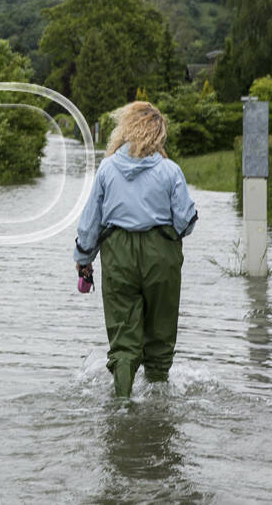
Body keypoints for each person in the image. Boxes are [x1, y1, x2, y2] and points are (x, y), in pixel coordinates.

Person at [73, 101, 198, 398]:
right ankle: (157, 407)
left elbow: (91, 221)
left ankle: (122, 404)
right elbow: (186, 221)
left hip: (118, 254)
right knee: (160, 335)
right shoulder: (170, 171)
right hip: (161, 254)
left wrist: (83, 259)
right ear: (158, 134)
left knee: (124, 339)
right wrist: (165, 235)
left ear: (125, 130)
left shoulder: (107, 169)